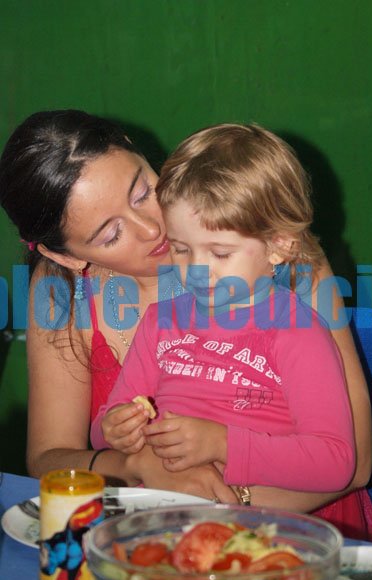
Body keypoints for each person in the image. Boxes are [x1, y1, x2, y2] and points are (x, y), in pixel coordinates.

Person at [0, 110, 372, 540]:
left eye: (142, 191)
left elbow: (354, 463)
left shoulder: (271, 247)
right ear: (65, 256)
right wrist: (133, 466)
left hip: (301, 527)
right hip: (156, 529)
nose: (151, 228)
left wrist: (221, 506)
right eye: (111, 235)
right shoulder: (62, 290)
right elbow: (48, 458)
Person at [93, 123, 357, 502]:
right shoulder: (161, 321)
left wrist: (223, 445)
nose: (197, 270)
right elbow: (104, 427)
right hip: (154, 509)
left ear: (279, 246)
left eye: (219, 253)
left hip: (250, 522)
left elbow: (335, 461)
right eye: (182, 249)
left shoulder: (298, 332)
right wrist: (115, 429)